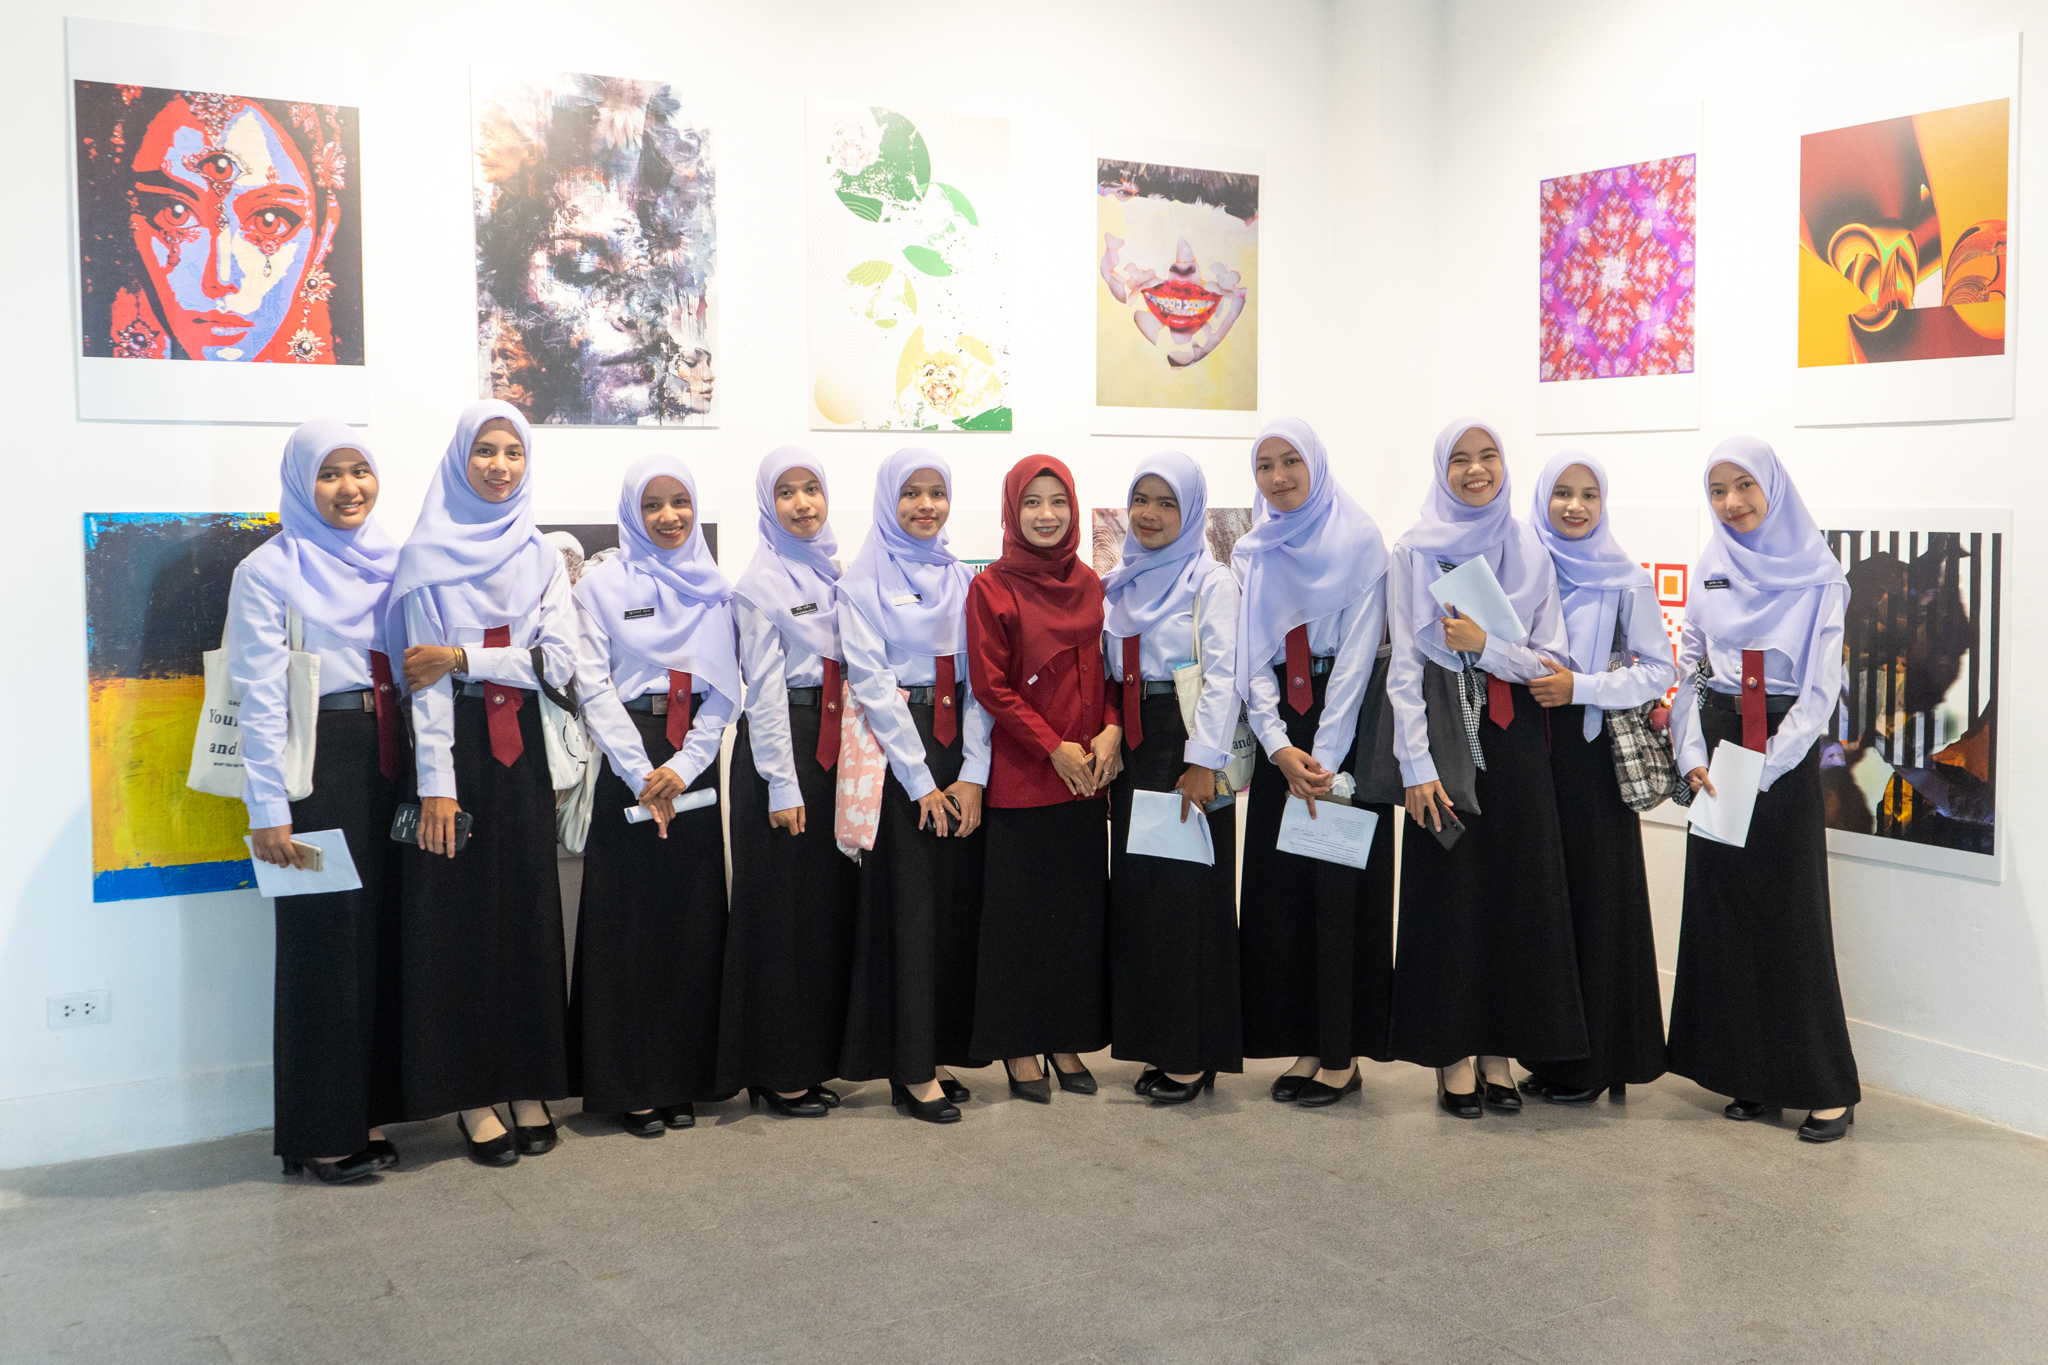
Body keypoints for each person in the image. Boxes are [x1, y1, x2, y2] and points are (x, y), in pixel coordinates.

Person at [389, 400, 575, 1166]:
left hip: (521, 750)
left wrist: (466, 656)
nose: (500, 465)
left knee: (528, 914)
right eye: (485, 451)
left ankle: (527, 1081)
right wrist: (437, 785)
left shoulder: (541, 555)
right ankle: (471, 1095)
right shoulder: (423, 555)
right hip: (456, 748)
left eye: (513, 452)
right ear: (460, 459)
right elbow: (421, 679)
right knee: (459, 923)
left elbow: (560, 662)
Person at [1384, 420, 1588, 1118]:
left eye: (1488, 456)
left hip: (1517, 735)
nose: (1476, 470)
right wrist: (1415, 764)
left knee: (1514, 892)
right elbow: (1405, 666)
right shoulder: (1414, 549)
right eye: (1461, 459)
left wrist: (1488, 645)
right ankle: (1452, 1054)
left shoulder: (1531, 547)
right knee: (1451, 894)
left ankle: (1499, 1049)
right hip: (1445, 731)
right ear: (1442, 468)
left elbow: (1554, 662)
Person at [1668, 438, 1859, 1143]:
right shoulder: (1711, 564)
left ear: (1773, 487)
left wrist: (1767, 768)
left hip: (1781, 748)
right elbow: (1689, 666)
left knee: (1789, 916)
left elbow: (1819, 692)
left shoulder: (1820, 575)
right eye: (1718, 490)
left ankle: (1825, 1087)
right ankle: (1748, 1074)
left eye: (1744, 485)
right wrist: (1692, 752)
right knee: (1724, 911)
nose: (1732, 502)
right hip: (1719, 747)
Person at [228, 420, 402, 1183]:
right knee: (321, 944)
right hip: (314, 767)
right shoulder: (267, 570)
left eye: (360, 469)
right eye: (330, 473)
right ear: (302, 482)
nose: (349, 487)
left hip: (389, 756)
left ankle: (363, 1111)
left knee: (379, 939)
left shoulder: (393, 559)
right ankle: (320, 1131)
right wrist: (268, 807)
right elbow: (260, 695)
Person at [569, 455, 739, 1136]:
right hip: (630, 755)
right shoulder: (600, 588)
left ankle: (683, 1077)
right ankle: (631, 1083)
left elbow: (727, 686)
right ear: (632, 512)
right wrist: (643, 771)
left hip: (692, 756)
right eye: (653, 504)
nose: (669, 516)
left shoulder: (716, 588)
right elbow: (591, 684)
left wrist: (687, 765)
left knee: (692, 920)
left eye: (680, 502)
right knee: (629, 923)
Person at [1234, 419, 1396, 1107]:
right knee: (1288, 897)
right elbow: (1249, 656)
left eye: (1291, 461)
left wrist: (1323, 760)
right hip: (1284, 739)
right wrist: (1277, 745)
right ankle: (1306, 1042)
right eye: (1265, 465)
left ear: (1317, 464)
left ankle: (1341, 1054)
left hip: (1342, 730)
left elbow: (1358, 657)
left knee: (1340, 895)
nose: (1278, 477)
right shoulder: (1252, 551)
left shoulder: (1361, 542)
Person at [838, 450, 995, 1123]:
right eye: (911, 493)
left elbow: (983, 681)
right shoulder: (861, 582)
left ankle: (934, 1051)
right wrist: (923, 781)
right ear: (887, 499)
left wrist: (973, 773)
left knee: (952, 907)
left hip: (960, 746)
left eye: (936, 492)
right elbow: (873, 686)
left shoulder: (964, 579)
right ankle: (909, 1068)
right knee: (910, 910)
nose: (925, 506)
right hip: (900, 751)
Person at [1518, 453, 1676, 1104]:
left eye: (1588, 494)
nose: (1575, 506)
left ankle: (1599, 1061)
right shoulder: (1522, 569)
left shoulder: (1625, 578)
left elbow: (1658, 669)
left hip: (1591, 759)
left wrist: (1579, 687)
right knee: (1543, 905)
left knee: (1597, 903)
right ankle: (1550, 1051)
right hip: (1530, 755)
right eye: (1562, 492)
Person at [966, 455, 1119, 1101]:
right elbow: (991, 686)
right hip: (1026, 775)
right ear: (1012, 510)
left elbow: (1108, 671)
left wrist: (1111, 728)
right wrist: (1053, 747)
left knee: (1074, 918)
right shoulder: (991, 587)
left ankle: (1064, 1036)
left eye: (1058, 500)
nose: (1047, 514)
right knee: (1019, 920)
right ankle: (1018, 1045)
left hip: (1086, 778)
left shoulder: (1091, 583)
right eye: (1032, 502)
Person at [718, 450, 859, 1117]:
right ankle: (776, 1068)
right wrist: (782, 784)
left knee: (823, 910)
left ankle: (812, 1056)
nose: (803, 504)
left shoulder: (836, 572)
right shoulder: (760, 582)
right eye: (786, 493)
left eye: (812, 489)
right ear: (766, 504)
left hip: (837, 750)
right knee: (781, 916)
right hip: (788, 751)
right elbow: (765, 692)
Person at [1101, 454, 1244, 1104]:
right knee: (1143, 898)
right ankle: (1156, 1040)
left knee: (1188, 901)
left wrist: (1203, 760)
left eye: (1167, 503)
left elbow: (1224, 675)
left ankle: (1191, 1053)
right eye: (1142, 500)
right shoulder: (1119, 584)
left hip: (1186, 745)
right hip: (1136, 748)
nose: (1151, 514)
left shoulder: (1211, 581)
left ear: (1191, 513)